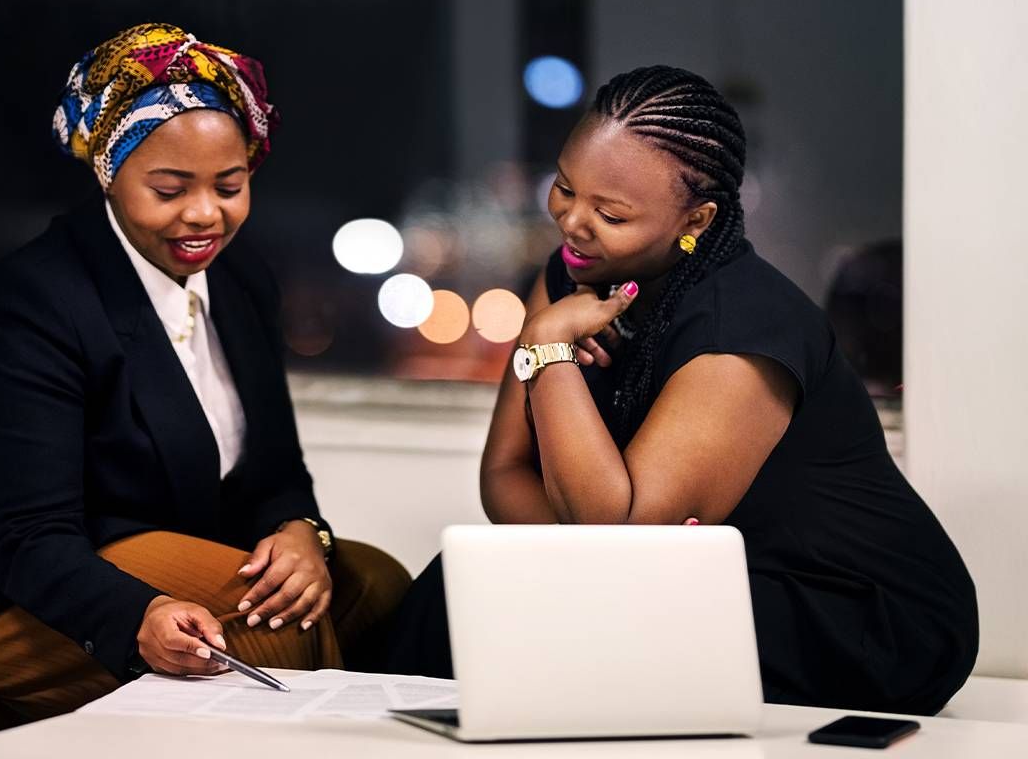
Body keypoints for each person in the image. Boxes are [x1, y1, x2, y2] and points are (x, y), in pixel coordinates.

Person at [0, 23, 409, 717]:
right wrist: (139, 614)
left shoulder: (242, 279)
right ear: (109, 174)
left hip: (107, 531)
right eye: (168, 188)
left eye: (230, 185)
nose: (204, 215)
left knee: (376, 585)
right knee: (269, 632)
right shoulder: (35, 298)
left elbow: (274, 471)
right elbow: (28, 536)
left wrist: (304, 534)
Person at [381, 66, 978, 716]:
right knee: (463, 592)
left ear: (697, 217)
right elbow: (503, 477)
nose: (573, 223)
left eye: (610, 213)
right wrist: (595, 538)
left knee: (505, 608)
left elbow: (622, 538)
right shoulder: (571, 277)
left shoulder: (741, 327)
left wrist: (546, 352)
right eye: (564, 188)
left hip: (853, 614)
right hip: (707, 575)